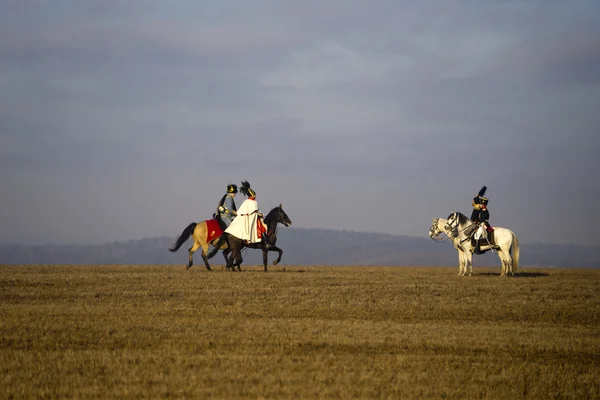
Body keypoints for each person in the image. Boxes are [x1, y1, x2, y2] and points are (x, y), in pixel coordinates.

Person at [225, 181, 269, 248]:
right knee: (262, 227)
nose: (234, 194)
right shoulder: (254, 202)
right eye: (233, 192)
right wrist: (261, 215)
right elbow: (255, 212)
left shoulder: (246, 202)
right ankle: (266, 242)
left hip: (245, 218)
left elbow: (241, 211)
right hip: (250, 219)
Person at [470, 186, 491, 254]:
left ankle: (478, 249)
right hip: (480, 224)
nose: (480, 205)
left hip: (484, 225)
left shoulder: (485, 211)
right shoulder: (481, 211)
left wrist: (482, 223)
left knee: (477, 235)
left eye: (481, 204)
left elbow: (485, 219)